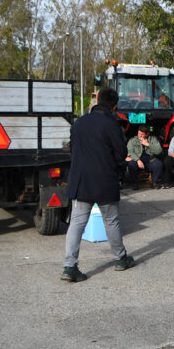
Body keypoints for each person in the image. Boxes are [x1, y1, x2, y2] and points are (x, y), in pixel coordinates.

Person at [61, 87, 135, 282]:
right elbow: (120, 155)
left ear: (96, 101)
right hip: (104, 180)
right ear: (114, 106)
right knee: (111, 220)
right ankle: (120, 259)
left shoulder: (79, 123)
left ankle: (69, 267)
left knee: (77, 223)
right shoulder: (112, 124)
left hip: (81, 180)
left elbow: (72, 148)